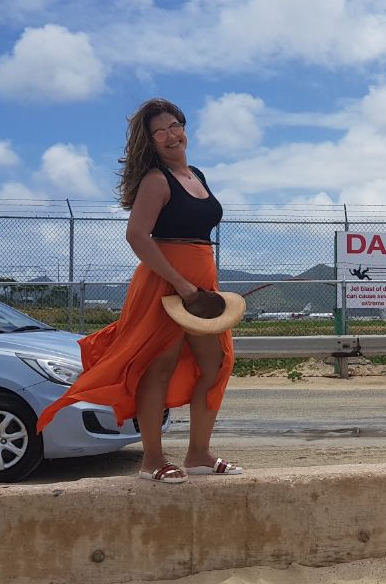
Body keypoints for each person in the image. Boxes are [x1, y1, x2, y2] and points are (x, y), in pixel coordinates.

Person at [37, 98, 240, 483]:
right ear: (150, 141)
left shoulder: (196, 174)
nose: (170, 135)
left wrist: (200, 285)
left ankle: (199, 453)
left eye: (174, 125)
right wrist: (180, 283)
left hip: (201, 285)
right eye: (159, 132)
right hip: (165, 285)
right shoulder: (156, 180)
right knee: (157, 367)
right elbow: (137, 235)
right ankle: (152, 460)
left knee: (215, 365)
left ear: (184, 127)